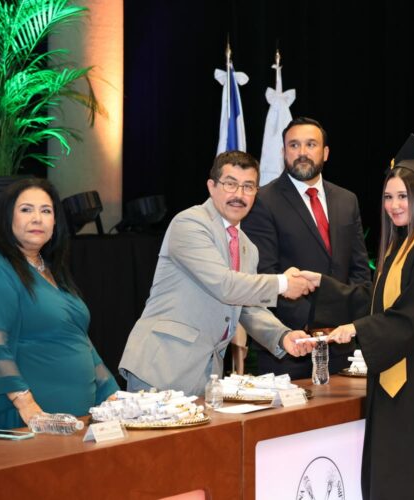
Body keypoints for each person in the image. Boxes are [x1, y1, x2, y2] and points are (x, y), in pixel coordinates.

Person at [299, 138, 414, 499]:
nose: (394, 205)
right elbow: (376, 302)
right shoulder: (400, 246)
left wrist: (357, 329)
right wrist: (323, 285)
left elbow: (412, 315)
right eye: (388, 197)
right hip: (397, 384)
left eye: (403, 197)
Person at [119, 151, 314, 396]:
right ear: (212, 187)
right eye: (230, 184)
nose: (239, 195)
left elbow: (246, 307)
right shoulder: (189, 223)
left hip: (206, 373)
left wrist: (282, 336)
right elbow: (225, 285)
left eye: (248, 187)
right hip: (161, 366)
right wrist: (283, 283)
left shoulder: (248, 248)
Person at [0, 179, 119, 437]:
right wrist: (28, 407)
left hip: (75, 421)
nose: (37, 218)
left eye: (46, 211)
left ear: (55, 222)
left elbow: (80, 341)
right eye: (26, 209)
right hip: (20, 419)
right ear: (6, 218)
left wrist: (112, 395)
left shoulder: (51, 270)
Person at [242, 117, 371, 378]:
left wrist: (347, 322)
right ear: (283, 152)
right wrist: (316, 326)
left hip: (342, 344)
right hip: (291, 347)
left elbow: (359, 271)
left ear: (325, 152)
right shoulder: (262, 201)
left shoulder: (347, 200)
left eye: (311, 144)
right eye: (294, 145)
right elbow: (265, 275)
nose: (302, 152)